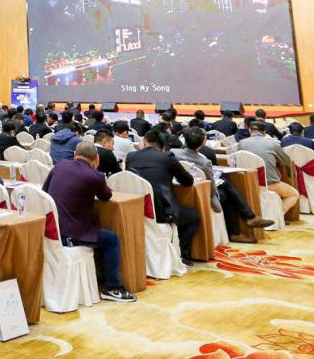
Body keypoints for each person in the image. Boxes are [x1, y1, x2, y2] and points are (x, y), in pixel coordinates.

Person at [42, 141, 135, 302]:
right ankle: (112, 287)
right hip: (72, 233)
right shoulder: (95, 176)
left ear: (74, 155)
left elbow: (44, 192)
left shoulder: (60, 166)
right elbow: (106, 196)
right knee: (112, 240)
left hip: (52, 229)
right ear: (96, 159)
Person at [172, 128, 273, 236]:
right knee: (227, 193)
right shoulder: (204, 162)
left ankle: (246, 220)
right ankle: (242, 225)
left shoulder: (173, 152)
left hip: (177, 190)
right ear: (203, 142)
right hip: (200, 194)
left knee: (225, 184)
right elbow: (211, 189)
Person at [125, 129, 199, 264]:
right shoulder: (167, 157)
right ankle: (182, 255)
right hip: (161, 211)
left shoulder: (131, 156)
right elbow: (188, 182)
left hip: (137, 208)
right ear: (163, 146)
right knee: (194, 216)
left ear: (145, 142)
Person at [237, 122, 301, 215]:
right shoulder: (272, 143)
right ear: (264, 132)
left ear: (250, 130)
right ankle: (276, 216)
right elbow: (286, 161)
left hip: (248, 182)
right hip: (269, 184)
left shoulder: (241, 143)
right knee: (294, 194)